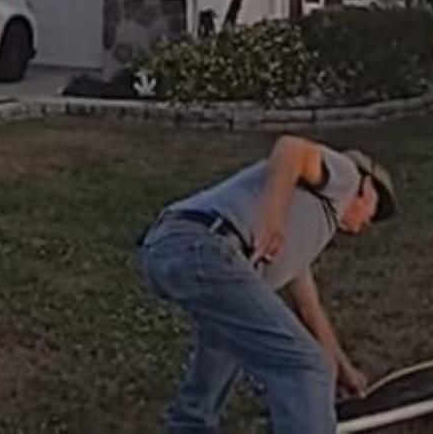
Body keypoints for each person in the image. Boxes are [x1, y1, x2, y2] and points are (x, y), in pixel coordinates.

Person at [136, 135, 397, 433]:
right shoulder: (346, 176)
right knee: (303, 368)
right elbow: (290, 148)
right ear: (365, 187)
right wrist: (273, 221)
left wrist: (342, 368)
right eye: (375, 208)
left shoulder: (307, 227)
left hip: (173, 249)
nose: (371, 221)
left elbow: (310, 311)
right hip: (203, 244)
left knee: (225, 353)